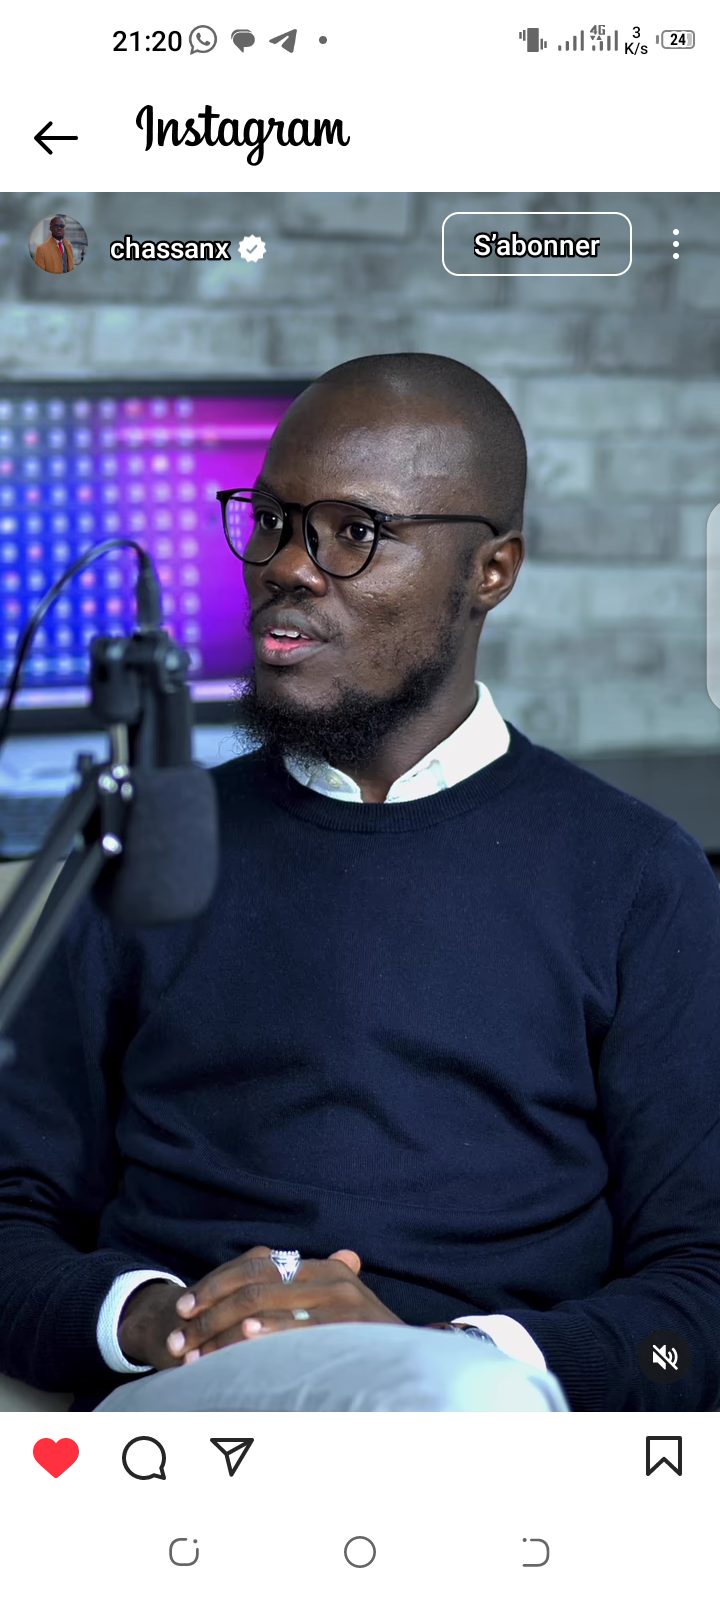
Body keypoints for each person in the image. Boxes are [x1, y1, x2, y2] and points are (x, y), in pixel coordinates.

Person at [0, 352, 718, 1415]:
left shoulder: (638, 876)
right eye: (275, 521)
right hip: (192, 1404)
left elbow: (699, 1293)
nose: (290, 565)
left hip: (493, 1419)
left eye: (355, 532)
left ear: (491, 572)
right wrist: (164, 1318)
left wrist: (457, 1356)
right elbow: (12, 1213)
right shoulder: (142, 848)